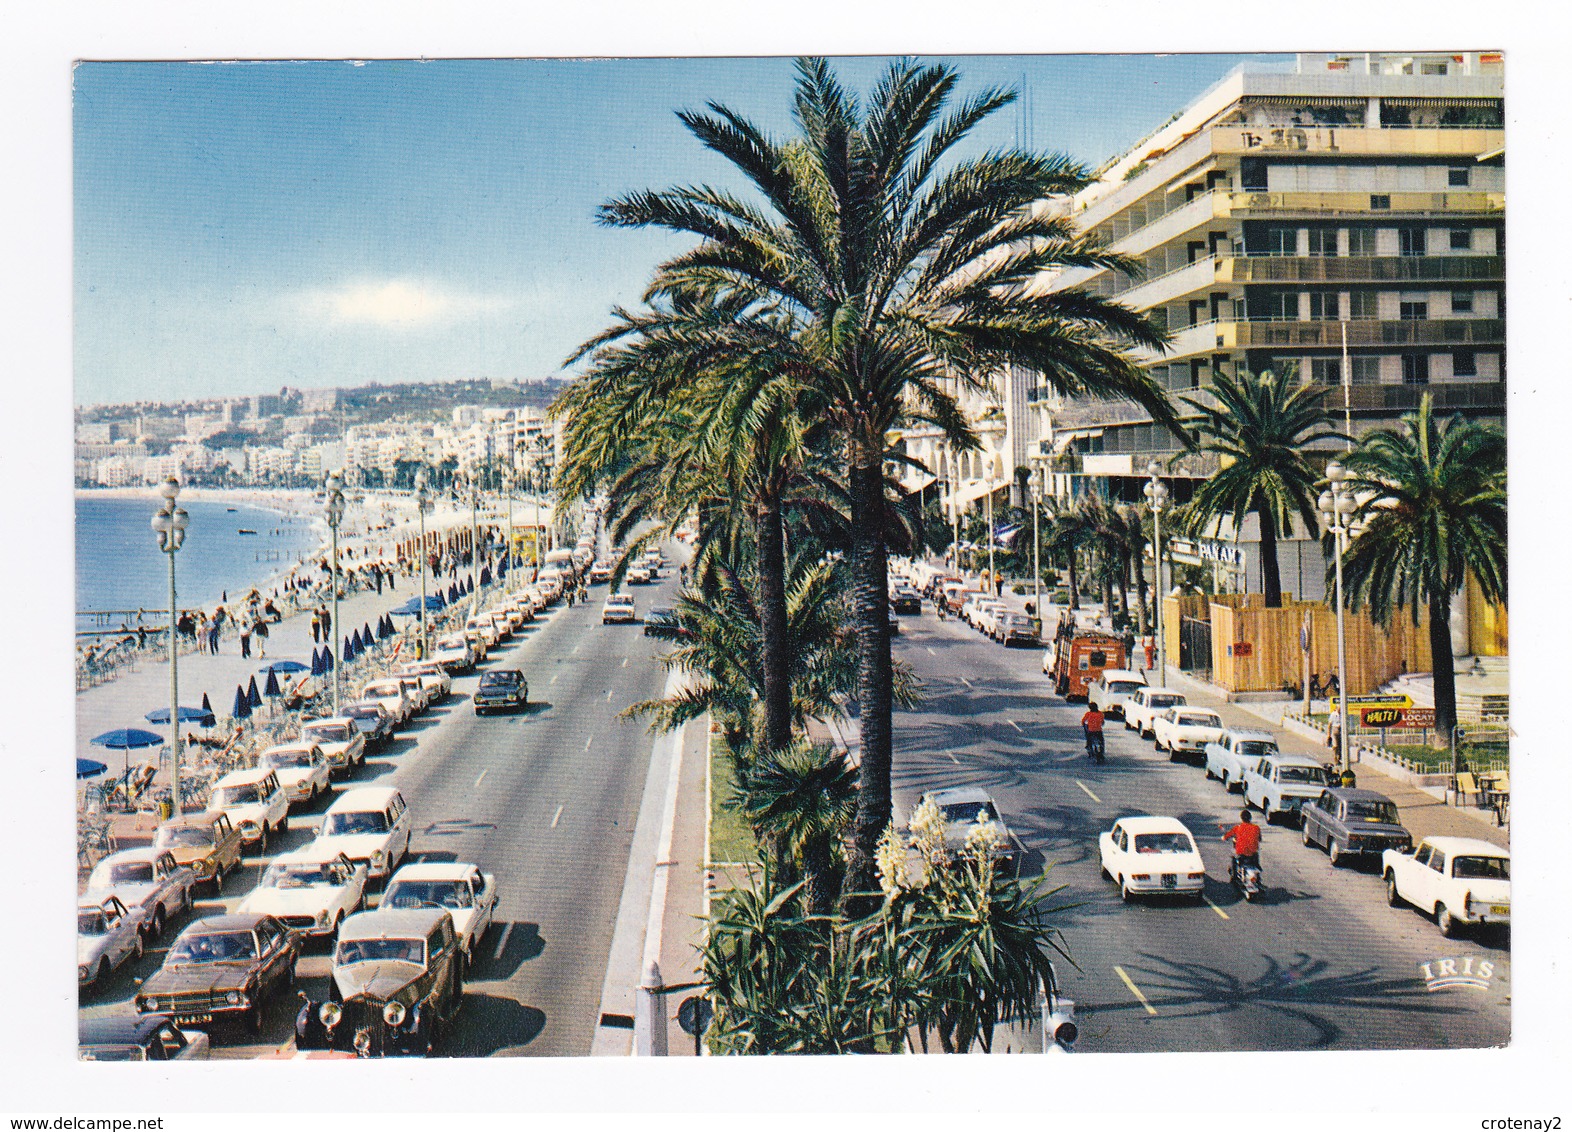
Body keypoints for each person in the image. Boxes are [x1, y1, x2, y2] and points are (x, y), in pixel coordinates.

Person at [1220, 809, 1262, 882]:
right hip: (1252, 853)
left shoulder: (1238, 827)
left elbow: (1228, 835)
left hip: (1241, 852)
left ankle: (1234, 876)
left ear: (1242, 818)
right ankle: (1258, 872)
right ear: (1250, 818)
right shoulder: (1256, 828)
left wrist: (1224, 837)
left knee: (1233, 857)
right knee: (1256, 856)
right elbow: (1259, 839)